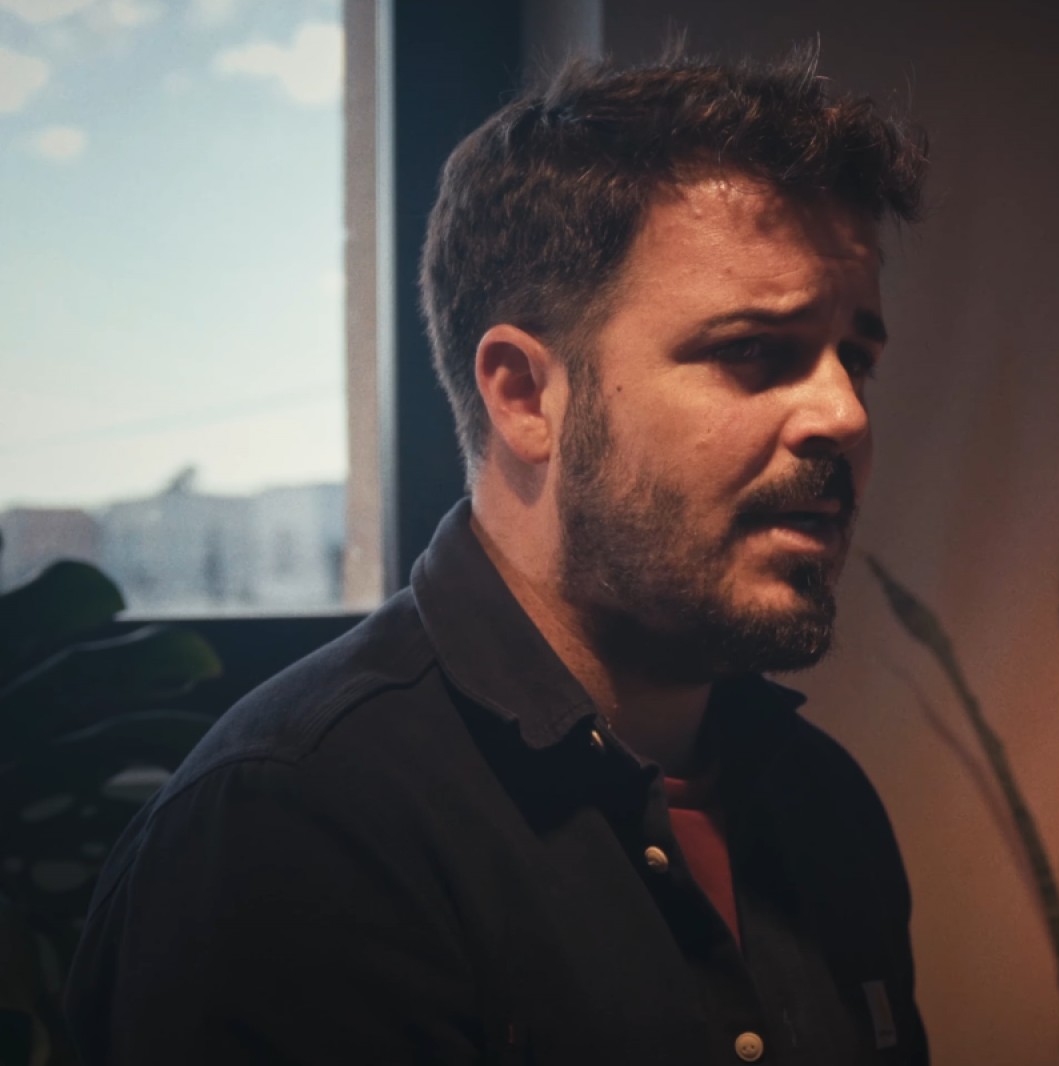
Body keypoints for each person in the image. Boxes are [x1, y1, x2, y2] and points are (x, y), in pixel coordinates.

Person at [63, 45, 930, 1066]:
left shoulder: (824, 804)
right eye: (754, 350)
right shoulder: (296, 827)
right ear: (524, 395)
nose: (844, 414)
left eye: (855, 361)